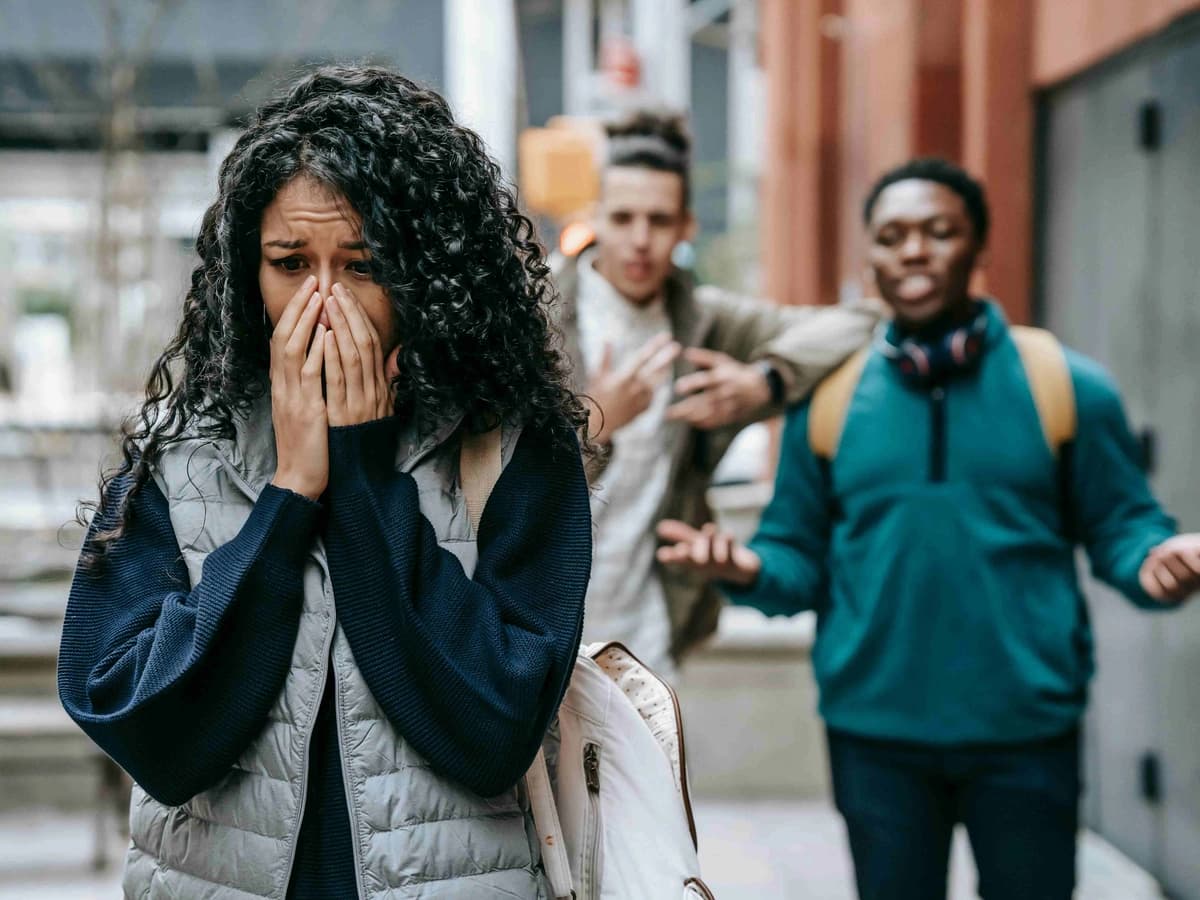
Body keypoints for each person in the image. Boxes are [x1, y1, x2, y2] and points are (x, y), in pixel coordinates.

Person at [58, 65, 592, 900]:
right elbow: (145, 729)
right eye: (289, 263)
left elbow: (493, 729)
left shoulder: (513, 444)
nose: (324, 302)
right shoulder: (180, 449)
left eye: (364, 265)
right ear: (248, 272)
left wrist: (366, 477)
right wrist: (290, 495)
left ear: (429, 273)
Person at [656, 158, 1200, 899]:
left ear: (978, 248)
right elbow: (797, 558)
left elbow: (1122, 528)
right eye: (893, 236)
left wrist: (1155, 562)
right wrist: (745, 570)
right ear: (871, 257)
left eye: (939, 232)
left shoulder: (1066, 385)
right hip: (877, 735)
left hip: (1026, 731)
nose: (914, 250)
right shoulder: (830, 402)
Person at [554, 109, 879, 674]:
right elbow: (485, 480)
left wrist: (764, 381)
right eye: (623, 217)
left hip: (648, 631)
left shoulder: (703, 322)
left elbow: (866, 320)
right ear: (596, 219)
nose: (639, 240)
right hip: (540, 621)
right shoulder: (539, 317)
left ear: (686, 227)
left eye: (658, 221)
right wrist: (594, 421)